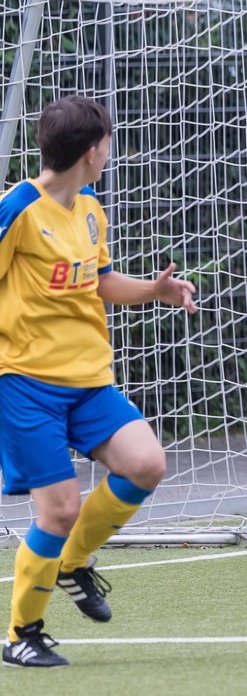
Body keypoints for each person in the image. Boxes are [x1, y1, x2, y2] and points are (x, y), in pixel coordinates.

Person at [0, 96, 197, 668]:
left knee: (146, 463)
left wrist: (155, 291)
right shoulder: (17, 209)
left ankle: (72, 562)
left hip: (87, 380)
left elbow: (100, 281)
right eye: (108, 143)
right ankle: (21, 634)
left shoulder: (90, 206)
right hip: (25, 383)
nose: (110, 152)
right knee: (57, 511)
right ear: (92, 151)